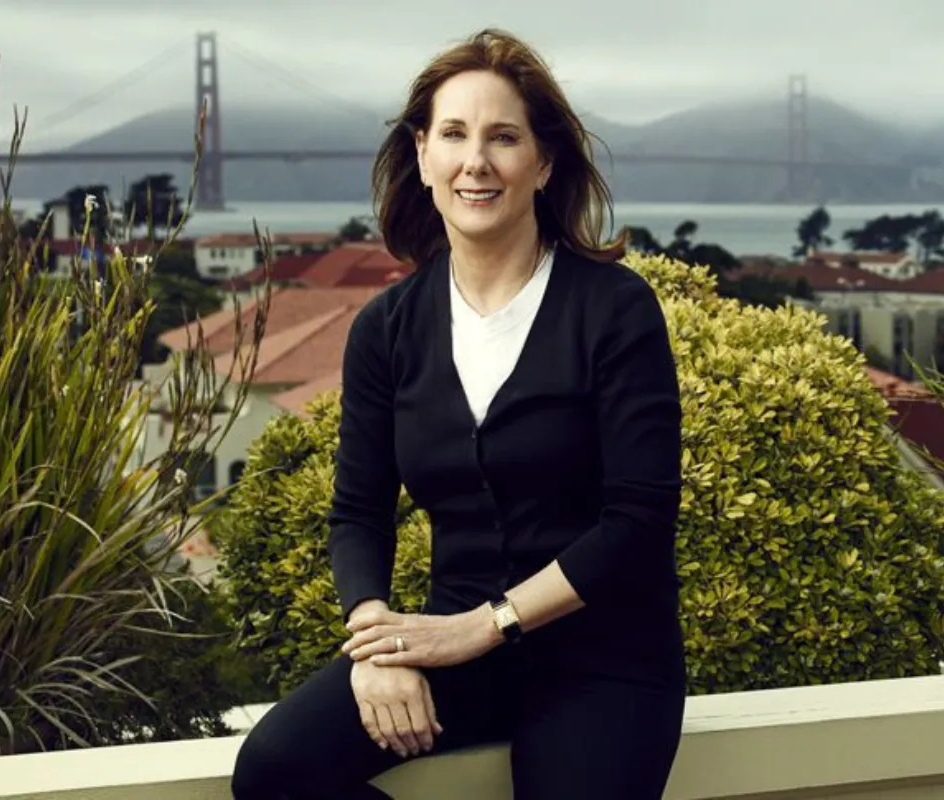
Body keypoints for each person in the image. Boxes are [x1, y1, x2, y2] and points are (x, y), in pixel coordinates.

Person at [231, 27, 686, 800]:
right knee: (276, 772)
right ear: (422, 155)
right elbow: (357, 514)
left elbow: (637, 523)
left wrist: (480, 626)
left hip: (604, 660)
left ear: (542, 164)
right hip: (451, 651)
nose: (476, 161)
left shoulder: (614, 309)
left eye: (503, 137)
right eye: (454, 135)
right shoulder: (388, 328)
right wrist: (378, 644)